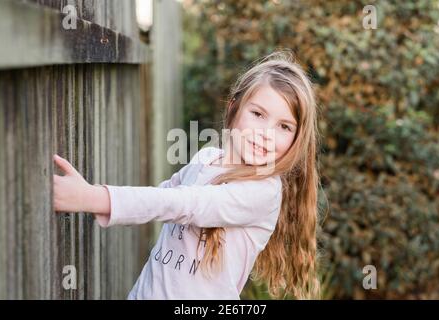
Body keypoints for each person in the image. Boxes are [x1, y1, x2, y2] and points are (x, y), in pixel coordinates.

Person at [53, 49, 321, 299]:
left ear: (297, 139)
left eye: (284, 126)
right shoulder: (206, 159)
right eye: (258, 114)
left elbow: (185, 204)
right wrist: (92, 197)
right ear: (233, 109)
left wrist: (91, 197)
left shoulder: (263, 192)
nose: (266, 134)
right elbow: (162, 197)